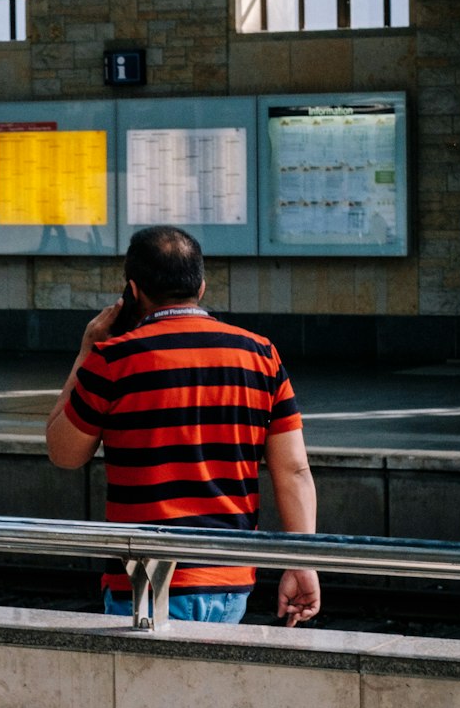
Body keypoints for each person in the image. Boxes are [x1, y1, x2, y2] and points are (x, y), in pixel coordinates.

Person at [46, 225, 320, 628]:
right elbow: (294, 470)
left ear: (133, 293)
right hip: (228, 580)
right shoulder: (261, 354)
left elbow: (64, 453)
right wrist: (303, 564)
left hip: (142, 583)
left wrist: (87, 349)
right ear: (202, 287)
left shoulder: (112, 360)